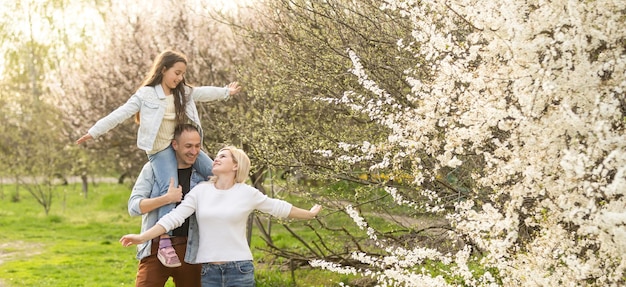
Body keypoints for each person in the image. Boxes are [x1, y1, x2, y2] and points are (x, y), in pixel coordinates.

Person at [76, 50, 242, 267]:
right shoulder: (146, 95)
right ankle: (164, 241)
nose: (180, 78)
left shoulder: (183, 92)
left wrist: (226, 92)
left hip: (178, 144)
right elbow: (120, 113)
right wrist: (94, 131)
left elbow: (202, 92)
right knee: (170, 188)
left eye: (183, 74)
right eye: (177, 73)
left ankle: (228, 215)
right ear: (163, 69)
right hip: (159, 149)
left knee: (214, 171)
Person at [120, 146, 323, 287]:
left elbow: (278, 207)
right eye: (217, 155)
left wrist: (309, 214)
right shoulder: (201, 190)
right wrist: (142, 237)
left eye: (223, 156)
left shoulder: (246, 192)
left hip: (240, 269)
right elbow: (173, 218)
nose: (216, 158)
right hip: (208, 271)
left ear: (236, 166)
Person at [128, 124, 206, 286]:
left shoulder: (202, 175)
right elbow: (134, 207)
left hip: (191, 249)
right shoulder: (152, 169)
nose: (194, 151)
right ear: (174, 145)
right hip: (156, 247)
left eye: (197, 146)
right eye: (188, 146)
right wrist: (166, 199)